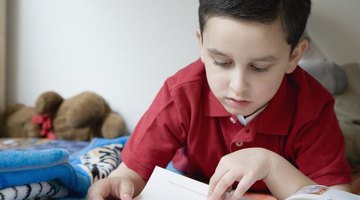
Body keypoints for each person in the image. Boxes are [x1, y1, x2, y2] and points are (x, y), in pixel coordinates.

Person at [87, 0, 352, 199]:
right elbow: (131, 173)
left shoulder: (313, 107)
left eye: (259, 67)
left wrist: (271, 165)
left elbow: (336, 195)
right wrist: (119, 183)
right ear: (202, 45)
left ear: (294, 56)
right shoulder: (180, 94)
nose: (238, 87)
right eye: (222, 62)